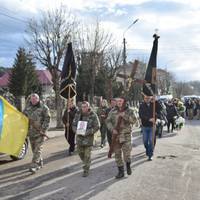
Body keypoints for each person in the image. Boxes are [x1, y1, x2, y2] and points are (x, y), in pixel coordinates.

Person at [106, 97, 137, 179]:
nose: (119, 102)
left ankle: (128, 165)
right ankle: (120, 171)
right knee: (117, 154)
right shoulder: (112, 111)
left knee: (127, 153)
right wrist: (112, 129)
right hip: (116, 136)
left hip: (126, 135)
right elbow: (108, 121)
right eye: (117, 101)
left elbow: (134, 121)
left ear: (124, 102)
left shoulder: (129, 110)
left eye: (120, 101)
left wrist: (125, 116)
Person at [23, 93, 51, 173]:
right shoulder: (27, 107)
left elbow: (47, 119)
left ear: (38, 99)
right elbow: (23, 117)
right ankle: (40, 162)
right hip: (31, 133)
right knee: (34, 150)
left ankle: (34, 166)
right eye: (32, 99)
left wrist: (43, 129)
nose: (33, 100)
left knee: (37, 150)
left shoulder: (44, 107)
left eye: (35, 99)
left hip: (40, 133)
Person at [72, 101, 100, 177]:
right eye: (82, 107)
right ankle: (86, 162)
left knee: (87, 155)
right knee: (80, 153)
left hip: (89, 138)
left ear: (88, 107)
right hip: (79, 138)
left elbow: (97, 126)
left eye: (85, 107)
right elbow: (73, 124)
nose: (83, 108)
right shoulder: (78, 114)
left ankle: (86, 169)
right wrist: (76, 130)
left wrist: (89, 131)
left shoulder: (93, 115)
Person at [139, 95, 158, 161]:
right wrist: (148, 119)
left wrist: (156, 100)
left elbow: (161, 109)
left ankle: (150, 155)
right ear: (144, 98)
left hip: (152, 126)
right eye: (146, 98)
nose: (147, 99)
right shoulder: (141, 105)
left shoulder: (154, 105)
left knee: (151, 140)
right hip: (145, 126)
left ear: (150, 98)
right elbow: (141, 115)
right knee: (145, 141)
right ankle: (147, 150)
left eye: (148, 98)